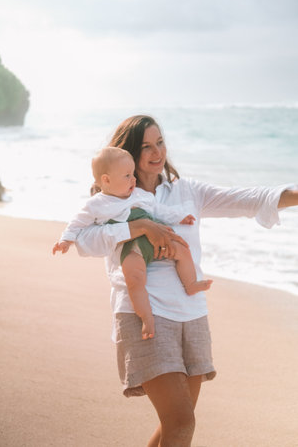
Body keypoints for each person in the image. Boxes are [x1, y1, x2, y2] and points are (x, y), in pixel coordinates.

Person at [74, 115, 298, 447]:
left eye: (160, 142)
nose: (156, 152)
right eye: (145, 146)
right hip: (144, 315)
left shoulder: (187, 191)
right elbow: (83, 242)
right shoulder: (112, 201)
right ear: (128, 153)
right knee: (181, 423)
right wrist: (139, 228)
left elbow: (249, 198)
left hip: (191, 314)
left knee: (174, 427)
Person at [53, 146, 212, 340]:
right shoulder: (97, 204)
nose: (133, 180)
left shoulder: (139, 195)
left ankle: (191, 283)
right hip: (132, 248)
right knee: (134, 281)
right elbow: (78, 222)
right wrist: (65, 240)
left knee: (182, 250)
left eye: (133, 174)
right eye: (127, 176)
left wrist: (180, 217)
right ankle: (146, 318)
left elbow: (159, 210)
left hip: (158, 238)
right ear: (106, 180)